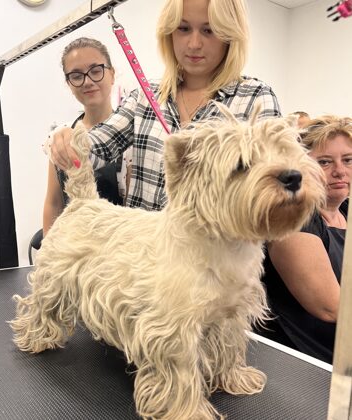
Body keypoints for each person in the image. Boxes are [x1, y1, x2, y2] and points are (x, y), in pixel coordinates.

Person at [46, 0, 282, 210]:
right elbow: (98, 146)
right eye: (183, 28)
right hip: (144, 244)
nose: (194, 44)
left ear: (230, 34)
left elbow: (271, 189)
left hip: (214, 245)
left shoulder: (254, 98)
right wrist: (69, 141)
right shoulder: (145, 96)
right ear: (169, 31)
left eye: (209, 30)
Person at [259, 115, 352, 364]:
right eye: (324, 162)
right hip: (299, 362)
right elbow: (330, 306)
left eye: (348, 160)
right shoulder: (295, 219)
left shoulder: (345, 212)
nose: (340, 171)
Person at [43, 37, 122, 236]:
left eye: (96, 71)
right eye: (77, 76)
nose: (87, 81)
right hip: (75, 247)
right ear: (69, 83)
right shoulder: (60, 137)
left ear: (112, 74)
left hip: (122, 245)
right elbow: (54, 203)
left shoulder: (134, 135)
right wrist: (48, 250)